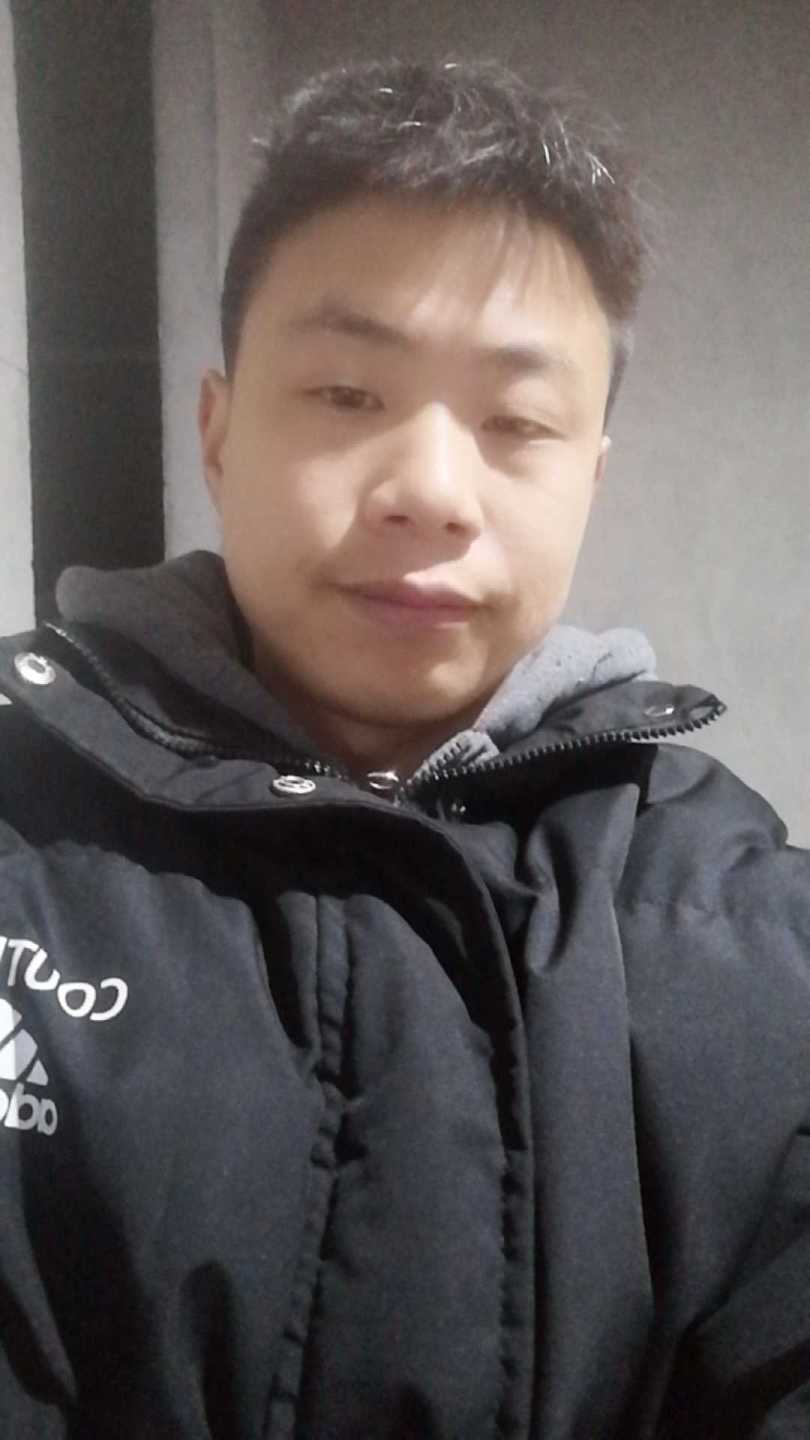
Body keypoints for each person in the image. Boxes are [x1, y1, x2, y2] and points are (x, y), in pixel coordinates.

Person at [0, 55, 807, 1440]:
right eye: (346, 395)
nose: (430, 491)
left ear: (589, 478)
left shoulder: (750, 938)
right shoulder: (26, 836)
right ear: (217, 434)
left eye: (516, 423)